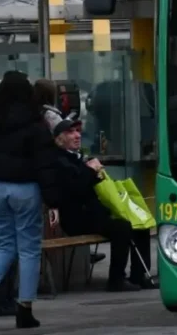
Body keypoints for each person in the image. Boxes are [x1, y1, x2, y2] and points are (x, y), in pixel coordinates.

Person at [0, 71, 53, 328]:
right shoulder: (35, 122)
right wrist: (53, 199)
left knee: (4, 245)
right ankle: (24, 309)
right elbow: (45, 165)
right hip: (25, 190)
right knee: (29, 249)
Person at [42, 114, 153, 291]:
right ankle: (116, 280)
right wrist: (90, 171)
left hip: (94, 213)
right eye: (71, 132)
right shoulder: (58, 161)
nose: (77, 135)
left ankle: (139, 275)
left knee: (140, 224)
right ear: (59, 139)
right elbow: (74, 190)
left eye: (78, 131)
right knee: (122, 227)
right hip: (77, 218)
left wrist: (96, 173)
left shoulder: (77, 158)